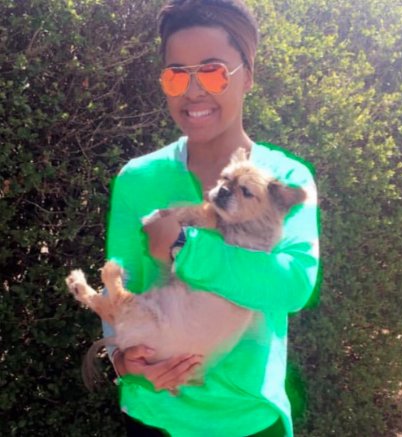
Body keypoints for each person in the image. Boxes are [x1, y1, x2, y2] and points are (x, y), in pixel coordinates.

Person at [103, 1, 320, 436]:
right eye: (176, 74)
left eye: (213, 71)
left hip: (247, 419)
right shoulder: (136, 179)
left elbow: (293, 283)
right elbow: (119, 284)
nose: (193, 90)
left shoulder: (288, 180)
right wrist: (121, 360)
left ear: (248, 75)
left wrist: (184, 247)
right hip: (153, 412)